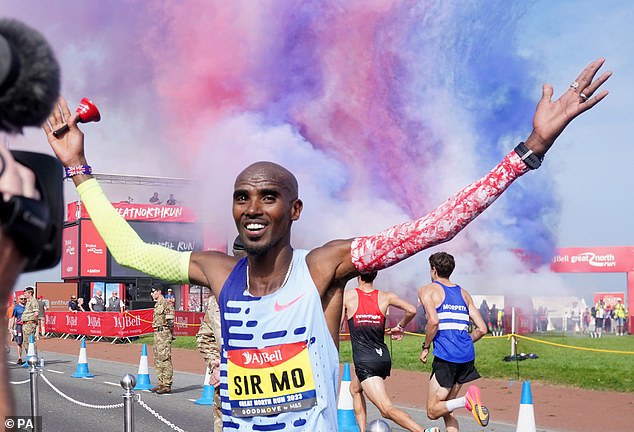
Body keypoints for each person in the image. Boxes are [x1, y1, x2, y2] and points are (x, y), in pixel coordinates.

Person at [44, 59, 611, 430]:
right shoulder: (218, 272)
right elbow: (132, 249)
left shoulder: (325, 266)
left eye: (269, 197)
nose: (252, 208)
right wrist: (79, 168)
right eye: (242, 197)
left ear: (294, 210)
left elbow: (434, 229)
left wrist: (529, 150)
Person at [343, 271, 433, 432]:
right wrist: (400, 326)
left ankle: (422, 431)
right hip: (382, 358)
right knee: (354, 389)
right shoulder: (386, 296)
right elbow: (412, 310)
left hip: (365, 362)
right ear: (374, 276)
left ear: (358, 277)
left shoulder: (348, 297)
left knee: (386, 410)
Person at [418, 252, 489, 431]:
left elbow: (433, 321)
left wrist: (425, 347)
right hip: (466, 356)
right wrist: (464, 341)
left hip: (447, 357)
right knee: (447, 408)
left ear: (433, 270)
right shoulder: (464, 294)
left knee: (433, 411)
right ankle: (465, 401)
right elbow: (482, 329)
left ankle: (467, 400)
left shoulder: (427, 290)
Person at [196, 235, 245, 432]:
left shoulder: (275, 296)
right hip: (224, 390)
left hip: (263, 393)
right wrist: (217, 364)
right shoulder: (217, 300)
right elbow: (204, 336)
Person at [149, 285, 175, 394]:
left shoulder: (166, 303)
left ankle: (167, 384)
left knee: (165, 358)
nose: (152, 294)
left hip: (164, 333)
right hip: (157, 333)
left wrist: (170, 333)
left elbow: (170, 320)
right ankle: (161, 382)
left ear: (159, 291)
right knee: (158, 358)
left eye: (153, 291)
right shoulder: (157, 304)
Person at [8, 295, 27, 364]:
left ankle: (29, 358)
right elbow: (13, 318)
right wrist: (11, 328)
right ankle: (19, 358)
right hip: (19, 326)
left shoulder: (28, 307)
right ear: (19, 299)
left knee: (28, 342)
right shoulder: (16, 308)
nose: (23, 300)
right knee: (19, 343)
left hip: (27, 326)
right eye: (22, 299)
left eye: (25, 299)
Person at [20, 286, 38, 352]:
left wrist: (33, 322)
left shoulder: (33, 301)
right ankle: (29, 358)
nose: (25, 294)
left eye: (26, 293)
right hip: (25, 324)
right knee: (25, 342)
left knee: (31, 341)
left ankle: (33, 357)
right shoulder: (28, 302)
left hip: (30, 324)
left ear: (30, 293)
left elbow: (36, 313)